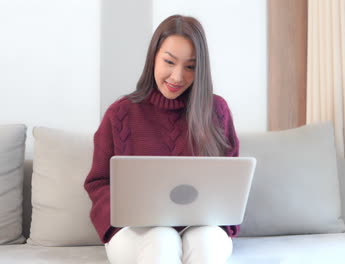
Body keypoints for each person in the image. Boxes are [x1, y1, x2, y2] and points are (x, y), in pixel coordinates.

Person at [84, 15, 239, 264]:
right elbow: (98, 182)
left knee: (207, 242)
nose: (177, 77)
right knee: (161, 239)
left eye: (190, 66)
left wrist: (224, 221)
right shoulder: (120, 113)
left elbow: (232, 183)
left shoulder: (216, 110)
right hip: (134, 231)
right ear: (153, 57)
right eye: (169, 61)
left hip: (201, 227)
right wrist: (123, 214)